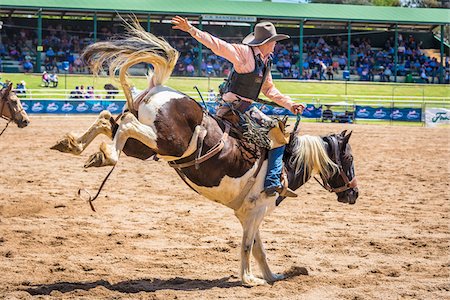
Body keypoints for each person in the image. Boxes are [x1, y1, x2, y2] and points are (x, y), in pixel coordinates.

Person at [172, 16, 304, 197]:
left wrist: (290, 104)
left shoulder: (266, 60)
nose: (275, 45)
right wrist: (191, 30)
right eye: (273, 41)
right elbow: (217, 45)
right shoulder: (244, 53)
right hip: (232, 109)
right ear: (265, 42)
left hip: (245, 109)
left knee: (278, 135)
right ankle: (272, 180)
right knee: (278, 136)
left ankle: (267, 180)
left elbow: (269, 89)